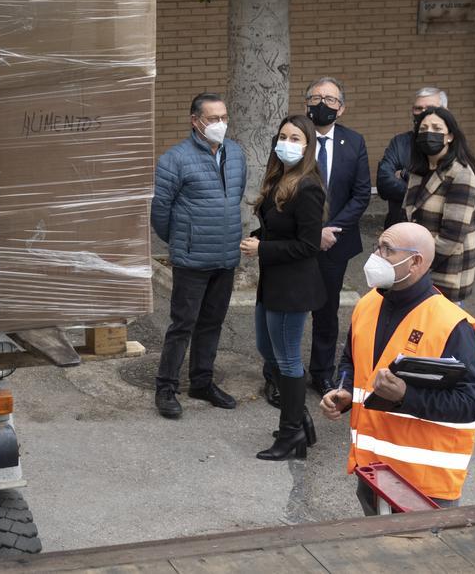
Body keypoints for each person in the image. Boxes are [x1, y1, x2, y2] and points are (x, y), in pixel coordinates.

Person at [319, 222, 475, 513]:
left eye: (388, 250)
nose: (377, 256)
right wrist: (344, 390)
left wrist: (405, 395)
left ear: (416, 262)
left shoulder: (453, 326)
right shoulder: (367, 304)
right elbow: (352, 360)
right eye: (378, 247)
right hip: (372, 473)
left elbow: (469, 404)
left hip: (424, 486)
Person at [263, 77, 369, 406]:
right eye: (315, 97)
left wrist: (330, 230)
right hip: (294, 241)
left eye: (330, 99)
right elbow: (274, 187)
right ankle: (277, 374)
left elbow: (361, 194)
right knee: (281, 309)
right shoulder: (292, 140)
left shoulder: (354, 142)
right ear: (305, 101)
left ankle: (322, 371)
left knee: (326, 309)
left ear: (342, 107)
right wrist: (311, 233)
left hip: (334, 242)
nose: (322, 103)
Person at [150, 93, 247, 418]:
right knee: (183, 324)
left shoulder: (235, 154)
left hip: (225, 255)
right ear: (195, 121)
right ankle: (166, 388)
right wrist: (181, 241)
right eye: (212, 119)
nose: (220, 124)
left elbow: (234, 197)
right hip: (192, 258)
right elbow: (160, 211)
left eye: (223, 117)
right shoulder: (174, 159)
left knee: (213, 322)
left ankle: (202, 381)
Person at [241, 114, 327, 460]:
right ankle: (300, 417)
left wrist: (262, 248)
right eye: (283, 136)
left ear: (307, 147)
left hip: (293, 287)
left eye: (295, 139)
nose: (287, 143)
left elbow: (308, 245)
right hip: (273, 281)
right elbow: (282, 230)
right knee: (267, 347)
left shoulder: (308, 186)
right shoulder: (280, 178)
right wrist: (261, 237)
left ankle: (291, 433)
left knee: (288, 358)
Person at [403, 106, 475, 302]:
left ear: (450, 136)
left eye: (437, 129)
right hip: (418, 269)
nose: (429, 133)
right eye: (424, 129)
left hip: (445, 272)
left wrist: (418, 265)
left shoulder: (461, 173)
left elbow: (452, 237)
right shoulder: (418, 171)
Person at [377, 87, 448, 229]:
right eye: (418, 108)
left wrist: (404, 174)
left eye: (430, 108)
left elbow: (454, 189)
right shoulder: (399, 143)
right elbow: (384, 184)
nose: (423, 113)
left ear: (445, 111)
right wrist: (430, 191)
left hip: (438, 232)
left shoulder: (452, 145)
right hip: (398, 228)